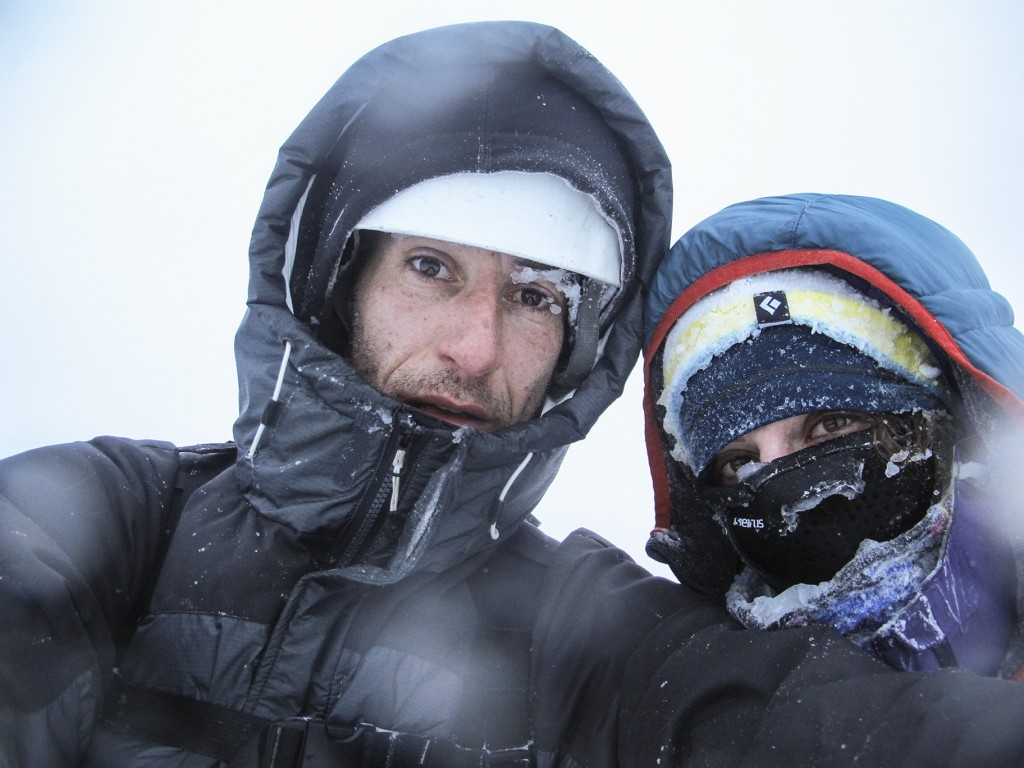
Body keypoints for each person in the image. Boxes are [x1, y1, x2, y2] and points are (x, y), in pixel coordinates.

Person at [6, 25, 1024, 768]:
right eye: (431, 268)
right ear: (337, 276)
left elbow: (815, 729)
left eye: (535, 294)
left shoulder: (588, 634)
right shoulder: (121, 518)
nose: (476, 343)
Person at [644, 192, 1024, 679]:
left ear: (936, 417)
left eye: (829, 424)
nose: (780, 486)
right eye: (739, 462)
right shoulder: (705, 703)